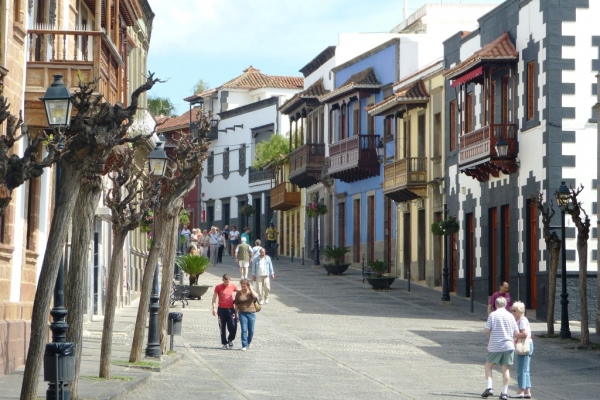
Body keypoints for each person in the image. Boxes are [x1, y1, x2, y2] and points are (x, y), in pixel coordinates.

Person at [482, 296, 519, 400]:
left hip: (495, 345)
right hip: (508, 346)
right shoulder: (511, 316)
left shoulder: (493, 315)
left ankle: (489, 387)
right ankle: (504, 392)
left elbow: (487, 331)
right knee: (505, 369)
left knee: (488, 366)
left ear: (496, 305)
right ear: (506, 305)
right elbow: (516, 332)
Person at [510, 301, 533, 399]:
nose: (512, 312)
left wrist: (515, 334)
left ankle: (520, 391)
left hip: (524, 345)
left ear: (520, 311)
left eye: (514, 310)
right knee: (526, 370)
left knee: (521, 370)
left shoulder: (522, 320)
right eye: (512, 310)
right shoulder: (521, 319)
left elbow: (524, 333)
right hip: (529, 345)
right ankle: (527, 391)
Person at [211, 274, 238, 350]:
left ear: (230, 280)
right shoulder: (218, 287)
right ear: (222, 280)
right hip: (221, 310)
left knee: (233, 326)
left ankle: (230, 339)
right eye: (225, 282)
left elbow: (240, 292)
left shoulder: (233, 286)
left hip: (230, 309)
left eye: (227, 282)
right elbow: (214, 299)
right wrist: (214, 308)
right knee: (222, 327)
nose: (226, 283)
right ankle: (224, 343)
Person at [234, 278, 259, 351]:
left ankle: (249, 342)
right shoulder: (238, 293)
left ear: (247, 286)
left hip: (252, 313)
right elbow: (236, 304)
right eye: (242, 286)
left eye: (244, 286)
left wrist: (251, 288)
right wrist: (235, 315)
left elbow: (255, 297)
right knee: (244, 329)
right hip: (242, 313)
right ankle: (244, 345)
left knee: (251, 331)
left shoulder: (251, 292)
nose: (243, 288)